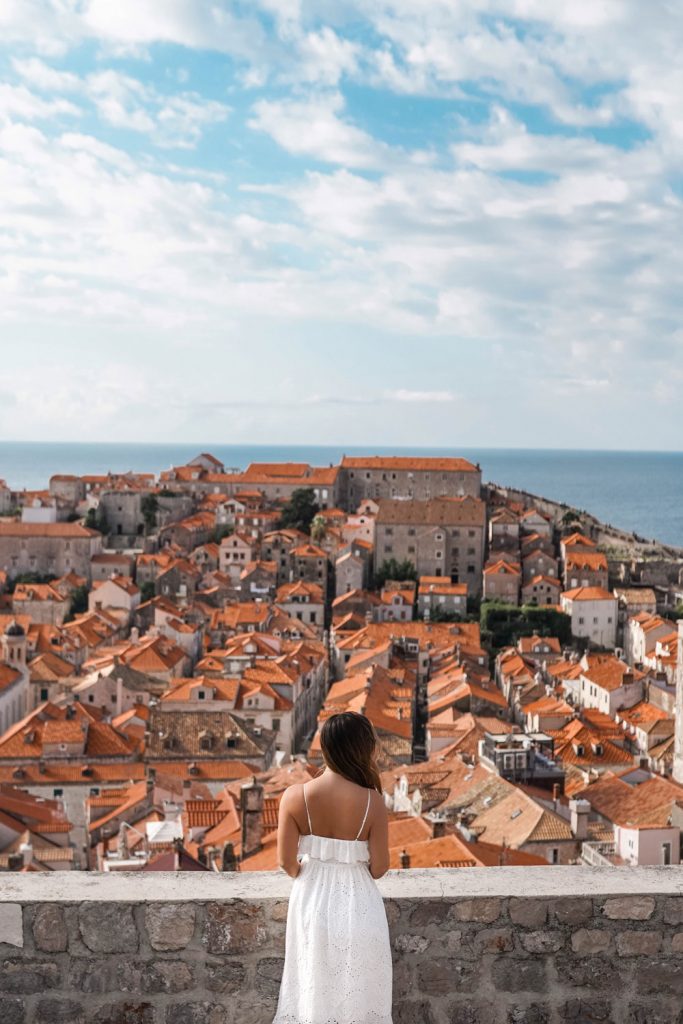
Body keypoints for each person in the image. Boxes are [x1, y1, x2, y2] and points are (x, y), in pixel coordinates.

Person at [273, 710, 393, 1024]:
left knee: (313, 987)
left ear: (325, 747)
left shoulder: (294, 796)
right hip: (358, 901)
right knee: (358, 992)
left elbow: (286, 862)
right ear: (363, 749)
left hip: (311, 899)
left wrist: (315, 874)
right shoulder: (373, 801)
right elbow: (380, 867)